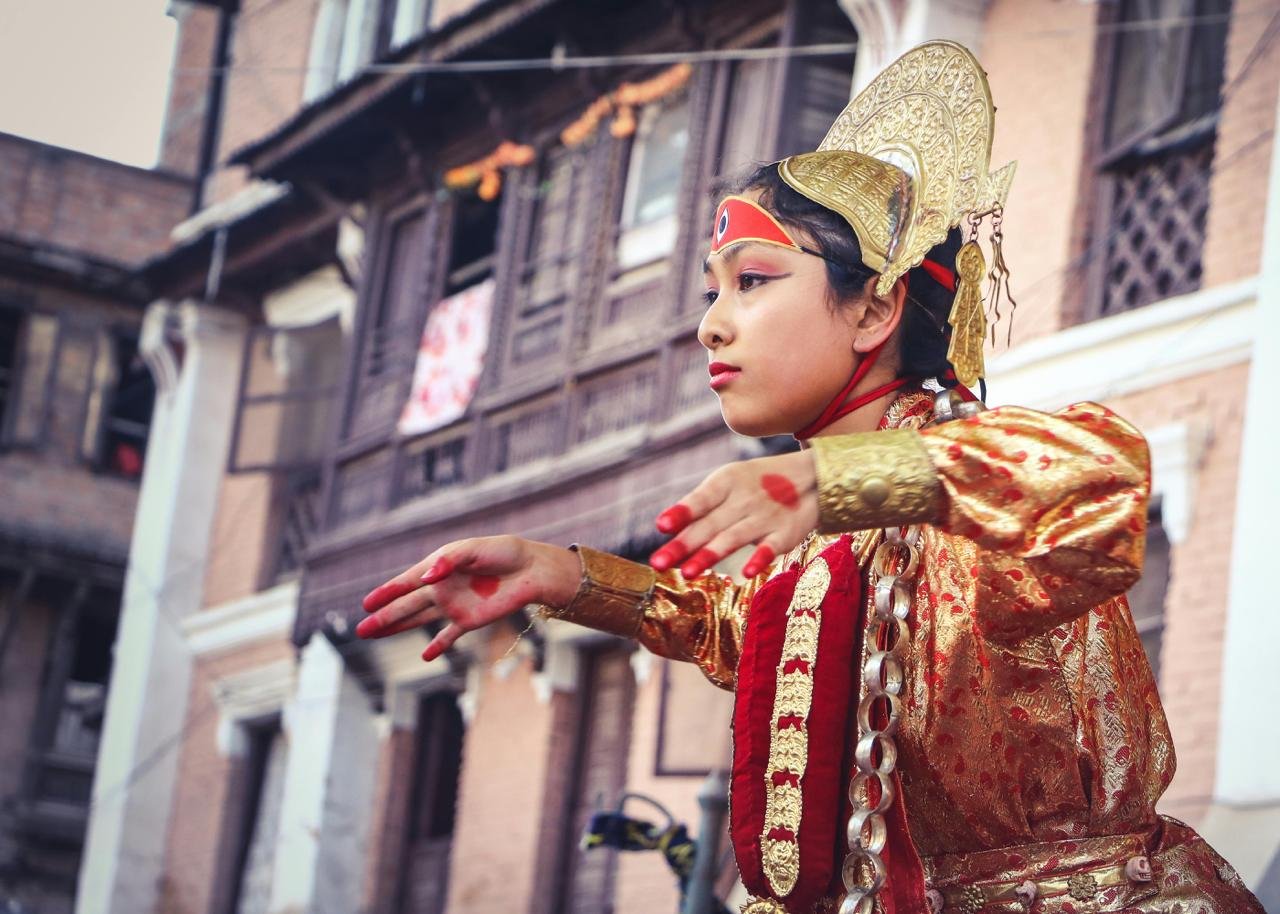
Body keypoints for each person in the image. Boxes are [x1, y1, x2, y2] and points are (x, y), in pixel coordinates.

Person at [356, 41, 1264, 914]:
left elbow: (1103, 482)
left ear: (874, 306)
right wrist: (570, 578)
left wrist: (835, 482)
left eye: (751, 281)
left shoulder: (955, 489)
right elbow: (761, 638)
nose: (711, 326)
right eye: (711, 292)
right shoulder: (835, 522)